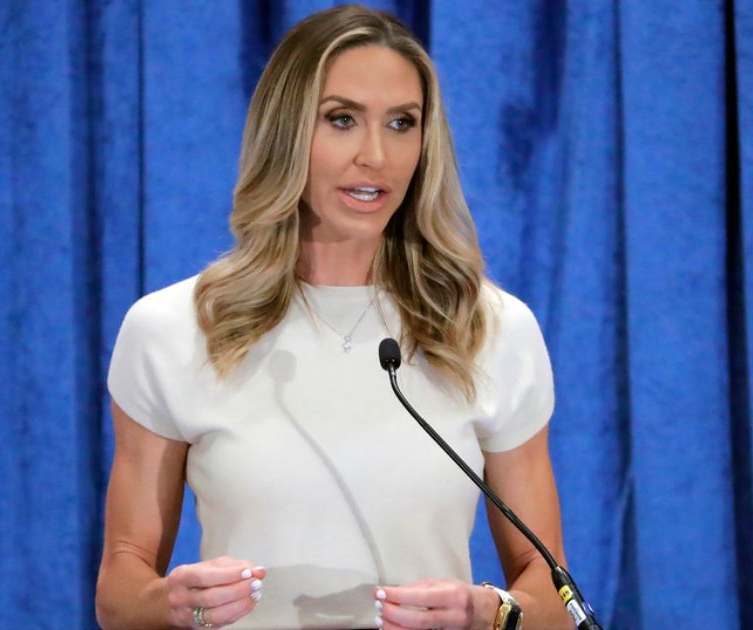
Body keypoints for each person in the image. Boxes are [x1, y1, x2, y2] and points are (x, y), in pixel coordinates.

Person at [96, 5, 573, 629]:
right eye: (342, 120)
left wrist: (491, 612)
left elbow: (554, 598)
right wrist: (172, 604)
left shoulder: (489, 329)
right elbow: (120, 586)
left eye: (402, 123)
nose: (375, 155)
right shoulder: (172, 329)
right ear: (286, 131)